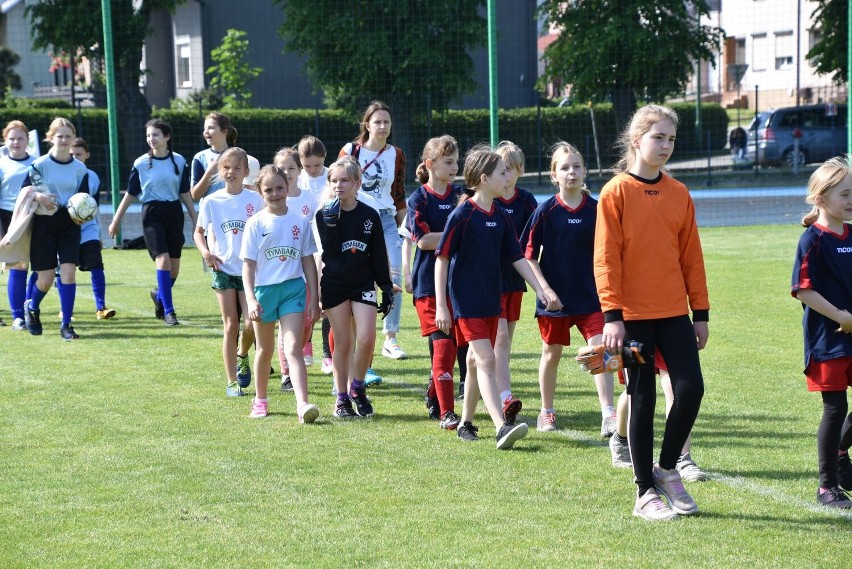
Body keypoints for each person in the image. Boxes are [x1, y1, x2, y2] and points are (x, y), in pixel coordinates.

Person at [595, 104, 708, 521]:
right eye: (658, 137)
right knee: (640, 397)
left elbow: (691, 257)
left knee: (691, 388)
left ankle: (665, 469)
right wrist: (612, 315)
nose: (665, 146)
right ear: (636, 139)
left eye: (671, 139)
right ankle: (644, 491)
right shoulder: (615, 192)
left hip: (674, 314)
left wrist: (701, 311)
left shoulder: (679, 193)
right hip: (632, 319)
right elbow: (605, 258)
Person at [435, 146, 558, 450]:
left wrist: (541, 288)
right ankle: (501, 426)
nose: (508, 178)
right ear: (483, 178)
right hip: (467, 301)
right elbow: (442, 258)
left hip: (493, 299)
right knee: (487, 358)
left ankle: (466, 422)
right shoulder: (462, 214)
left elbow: (517, 257)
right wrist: (441, 305)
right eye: (502, 173)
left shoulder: (501, 216)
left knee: (478, 362)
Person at [520, 142, 615, 436]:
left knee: (602, 350)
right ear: (554, 175)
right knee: (552, 353)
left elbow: (610, 253)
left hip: (591, 298)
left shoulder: (597, 210)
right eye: (564, 168)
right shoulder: (545, 211)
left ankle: (609, 413)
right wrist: (545, 290)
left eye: (576, 166)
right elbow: (527, 256)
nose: (571, 172)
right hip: (555, 302)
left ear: (584, 171)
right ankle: (546, 411)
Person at [791, 156, 852, 508]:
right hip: (828, 339)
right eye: (844, 194)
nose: (850, 200)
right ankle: (827, 486)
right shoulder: (813, 240)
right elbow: (803, 289)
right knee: (835, 407)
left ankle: (841, 453)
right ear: (821, 198)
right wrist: (841, 316)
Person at [315, 156, 393, 418]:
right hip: (335, 285)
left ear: (357, 183)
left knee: (368, 338)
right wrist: (331, 223)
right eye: (334, 180)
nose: (339, 185)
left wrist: (385, 285)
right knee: (344, 343)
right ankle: (341, 398)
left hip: (362, 283)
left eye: (345, 180)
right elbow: (332, 253)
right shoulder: (323, 214)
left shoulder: (369, 214)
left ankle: (357, 387)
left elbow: (378, 253)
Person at [240, 164, 319, 422]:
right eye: (269, 189)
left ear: (288, 187)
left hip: (293, 290)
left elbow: (308, 260)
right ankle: (260, 400)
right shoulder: (255, 223)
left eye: (280, 188)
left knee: (294, 347)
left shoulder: (300, 221)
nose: (275, 194)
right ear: (260, 193)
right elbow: (248, 265)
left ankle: (302, 404)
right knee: (264, 349)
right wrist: (251, 298)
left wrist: (314, 297)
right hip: (264, 294)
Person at [108, 119, 197, 326]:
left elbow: (184, 192)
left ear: (167, 137)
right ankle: (169, 311)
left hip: (174, 212)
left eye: (155, 134)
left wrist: (195, 219)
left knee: (174, 269)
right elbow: (130, 194)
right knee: (163, 261)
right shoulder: (140, 163)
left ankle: (159, 296)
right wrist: (116, 221)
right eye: (148, 135)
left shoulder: (179, 161)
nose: (151, 139)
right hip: (152, 213)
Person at [339, 101, 408, 367]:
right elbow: (338, 183)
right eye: (377, 122)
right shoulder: (350, 150)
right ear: (367, 124)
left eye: (386, 122)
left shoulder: (397, 154)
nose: (382, 126)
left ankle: (390, 338)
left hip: (387, 220)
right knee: (359, 276)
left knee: (394, 275)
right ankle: (356, 337)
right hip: (356, 218)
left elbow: (398, 194)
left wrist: (408, 230)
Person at [194, 148, 264, 398]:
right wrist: (206, 253)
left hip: (248, 270)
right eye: (226, 167)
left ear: (246, 172)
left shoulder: (256, 200)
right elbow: (198, 232)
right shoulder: (211, 201)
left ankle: (242, 354)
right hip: (223, 270)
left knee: (251, 323)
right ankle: (232, 381)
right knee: (230, 325)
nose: (231, 172)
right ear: (219, 171)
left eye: (236, 168)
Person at [407, 135, 463, 430]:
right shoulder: (419, 199)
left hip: (460, 283)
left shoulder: (461, 196)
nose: (455, 167)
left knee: (454, 347)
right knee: (442, 344)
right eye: (449, 162)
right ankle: (447, 412)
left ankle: (434, 392)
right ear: (430, 164)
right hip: (428, 285)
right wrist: (458, 234)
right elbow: (424, 240)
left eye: (456, 161)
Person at [20, 118, 89, 340]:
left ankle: (66, 325)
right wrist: (38, 195)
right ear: (50, 138)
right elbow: (24, 191)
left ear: (72, 139)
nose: (64, 140)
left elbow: (84, 197)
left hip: (69, 223)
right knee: (46, 278)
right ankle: (32, 306)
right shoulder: (38, 165)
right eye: (59, 136)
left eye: (68, 136)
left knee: (68, 272)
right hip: (44, 224)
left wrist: (85, 210)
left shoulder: (80, 168)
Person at [494, 141, 541, 428]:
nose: (505, 175)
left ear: (520, 171)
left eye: (509, 169)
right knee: (497, 339)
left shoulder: (527, 201)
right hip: (490, 279)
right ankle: (504, 396)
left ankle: (495, 388)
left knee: (505, 341)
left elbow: (535, 240)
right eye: (500, 170)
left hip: (515, 280)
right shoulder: (489, 201)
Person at [609, 360, 709, 483]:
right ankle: (620, 440)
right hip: (637, 341)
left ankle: (682, 458)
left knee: (674, 380)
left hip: (672, 339)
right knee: (639, 387)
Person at [273, 147, 316, 391]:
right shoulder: (272, 197)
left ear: (299, 170)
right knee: (286, 326)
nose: (286, 173)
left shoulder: (309, 198)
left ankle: (298, 351)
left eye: (291, 167)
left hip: (306, 268)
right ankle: (287, 372)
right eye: (282, 168)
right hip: (281, 272)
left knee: (307, 323)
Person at [68, 137, 116, 321]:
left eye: (78, 154)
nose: (75, 157)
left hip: (88, 229)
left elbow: (93, 208)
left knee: (96, 265)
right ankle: (66, 310)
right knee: (64, 270)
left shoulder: (93, 177)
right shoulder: (62, 175)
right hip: (66, 231)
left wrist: (99, 232)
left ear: (87, 155)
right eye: (71, 154)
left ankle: (100, 308)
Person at [297, 135, 329, 373]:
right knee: (307, 296)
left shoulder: (331, 177)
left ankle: (328, 353)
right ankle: (305, 342)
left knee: (327, 295)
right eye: (307, 166)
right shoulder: (297, 180)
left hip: (326, 245)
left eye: (316, 165)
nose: (312, 170)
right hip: (303, 246)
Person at [0, 120, 36, 330]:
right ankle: (18, 316)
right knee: (16, 266)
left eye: (20, 138)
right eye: (12, 138)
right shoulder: (2, 163)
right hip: (7, 218)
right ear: (6, 140)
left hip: (31, 218)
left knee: (33, 266)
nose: (16, 142)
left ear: (27, 140)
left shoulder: (37, 162)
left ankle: (26, 311)